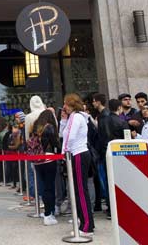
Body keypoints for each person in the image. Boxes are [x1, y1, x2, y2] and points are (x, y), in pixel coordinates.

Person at [62, 93, 95, 237]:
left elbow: (70, 136)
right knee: (78, 189)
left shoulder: (76, 117)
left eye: (66, 103)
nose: (64, 106)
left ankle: (87, 225)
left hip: (78, 154)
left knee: (81, 190)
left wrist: (65, 150)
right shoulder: (76, 117)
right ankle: (85, 222)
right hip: (78, 153)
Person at [27, 109, 59, 226]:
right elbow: (55, 144)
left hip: (37, 160)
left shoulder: (35, 127)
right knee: (49, 187)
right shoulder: (49, 127)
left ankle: (47, 211)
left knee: (43, 187)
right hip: (49, 159)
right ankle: (48, 214)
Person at [24, 96, 46, 201]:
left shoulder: (29, 117)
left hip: (34, 148)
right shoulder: (47, 113)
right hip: (46, 147)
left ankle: (36, 195)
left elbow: (27, 137)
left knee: (33, 172)